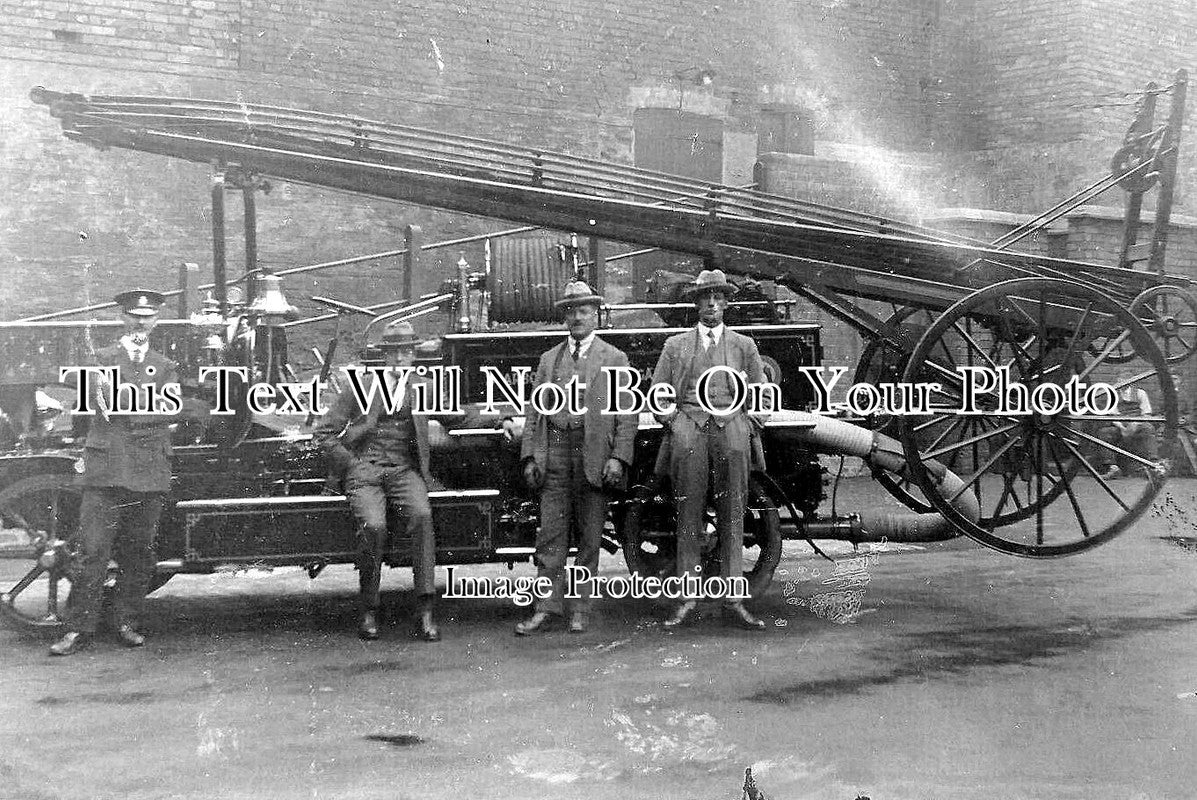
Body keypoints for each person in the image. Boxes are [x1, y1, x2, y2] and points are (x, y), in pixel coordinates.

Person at [50, 289, 204, 656]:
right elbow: (95, 409)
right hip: (105, 470)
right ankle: (77, 629)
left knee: (139, 553)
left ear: (156, 321)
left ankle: (125, 622)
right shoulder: (99, 359)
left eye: (148, 317)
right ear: (123, 318)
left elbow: (169, 411)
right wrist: (154, 412)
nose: (140, 322)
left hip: (149, 470)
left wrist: (132, 408)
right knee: (92, 553)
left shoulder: (165, 365)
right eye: (134, 316)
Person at [315, 320, 456, 642]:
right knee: (373, 528)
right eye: (393, 353)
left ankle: (425, 611)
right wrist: (351, 464)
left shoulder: (425, 386)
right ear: (384, 356)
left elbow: (458, 414)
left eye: (406, 352)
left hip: (404, 470)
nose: (399, 359)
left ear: (414, 355)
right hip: (364, 472)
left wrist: (504, 419)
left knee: (422, 518)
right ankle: (369, 610)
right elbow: (323, 433)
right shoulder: (361, 386)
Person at [649, 269, 770, 630]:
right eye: (705, 298)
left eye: (718, 298)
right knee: (689, 513)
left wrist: (747, 424)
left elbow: (762, 394)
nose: (712, 304)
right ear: (696, 303)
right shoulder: (676, 346)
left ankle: (733, 598)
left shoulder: (744, 345)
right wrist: (675, 423)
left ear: (727, 303)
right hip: (689, 431)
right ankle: (687, 598)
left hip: (731, 430)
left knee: (733, 511)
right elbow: (658, 394)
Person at [514, 281, 637, 635]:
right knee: (551, 535)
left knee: (589, 537)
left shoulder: (614, 358)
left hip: (594, 455)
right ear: (564, 316)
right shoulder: (549, 359)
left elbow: (626, 415)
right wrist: (530, 457)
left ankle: (580, 609)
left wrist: (618, 458)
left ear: (595, 314)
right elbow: (534, 412)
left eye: (584, 310)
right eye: (571, 311)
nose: (577, 317)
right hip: (554, 451)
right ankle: (546, 608)